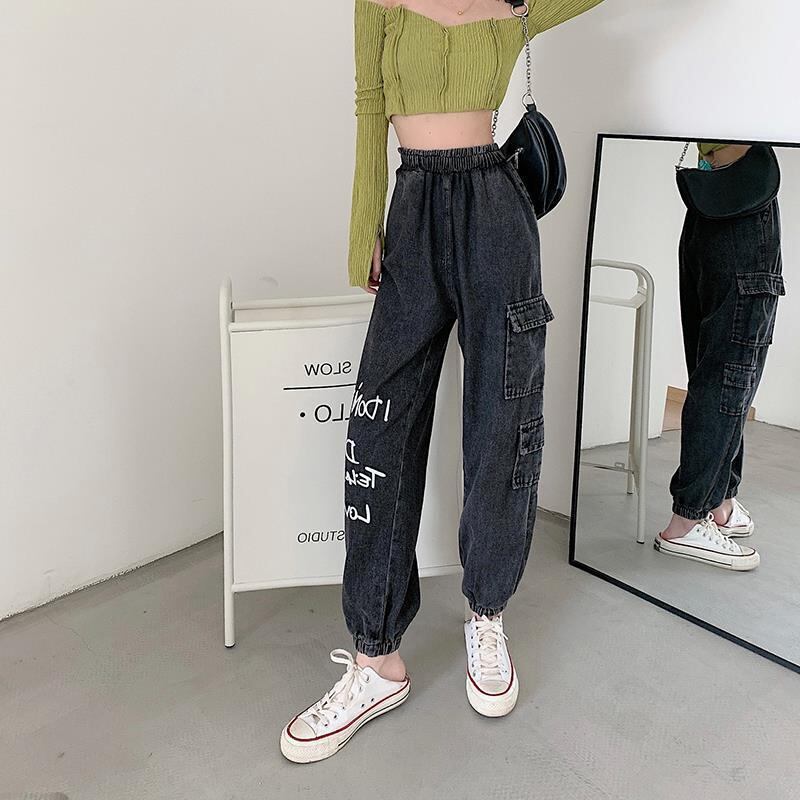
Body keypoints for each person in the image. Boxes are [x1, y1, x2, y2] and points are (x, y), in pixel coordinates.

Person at [280, 0, 606, 763]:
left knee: (503, 421)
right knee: (378, 427)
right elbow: (369, 103)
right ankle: (376, 657)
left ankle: (486, 615)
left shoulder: (516, 2)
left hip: (498, 212)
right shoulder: (379, 2)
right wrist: (364, 227)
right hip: (413, 207)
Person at [654, 142, 785, 571]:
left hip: (708, 205)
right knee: (730, 376)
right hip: (744, 202)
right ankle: (687, 521)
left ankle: (719, 502)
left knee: (716, 372)